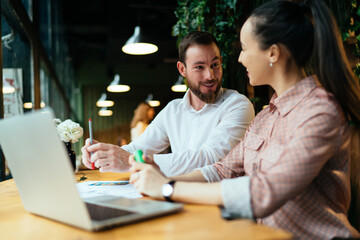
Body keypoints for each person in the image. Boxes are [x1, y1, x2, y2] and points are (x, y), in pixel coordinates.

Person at [128, 0, 360, 239]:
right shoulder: (266, 116)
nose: (239, 58)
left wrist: (168, 188)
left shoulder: (320, 111)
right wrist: (162, 178)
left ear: (273, 53)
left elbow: (264, 193)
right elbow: (222, 169)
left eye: (245, 48)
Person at [81, 31, 255, 177]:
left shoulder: (238, 105)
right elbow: (138, 148)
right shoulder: (173, 110)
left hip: (219, 204)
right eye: (199, 67)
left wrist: (129, 160)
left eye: (215, 64)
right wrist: (102, 153)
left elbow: (211, 159)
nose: (210, 75)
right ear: (182, 69)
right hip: (177, 197)